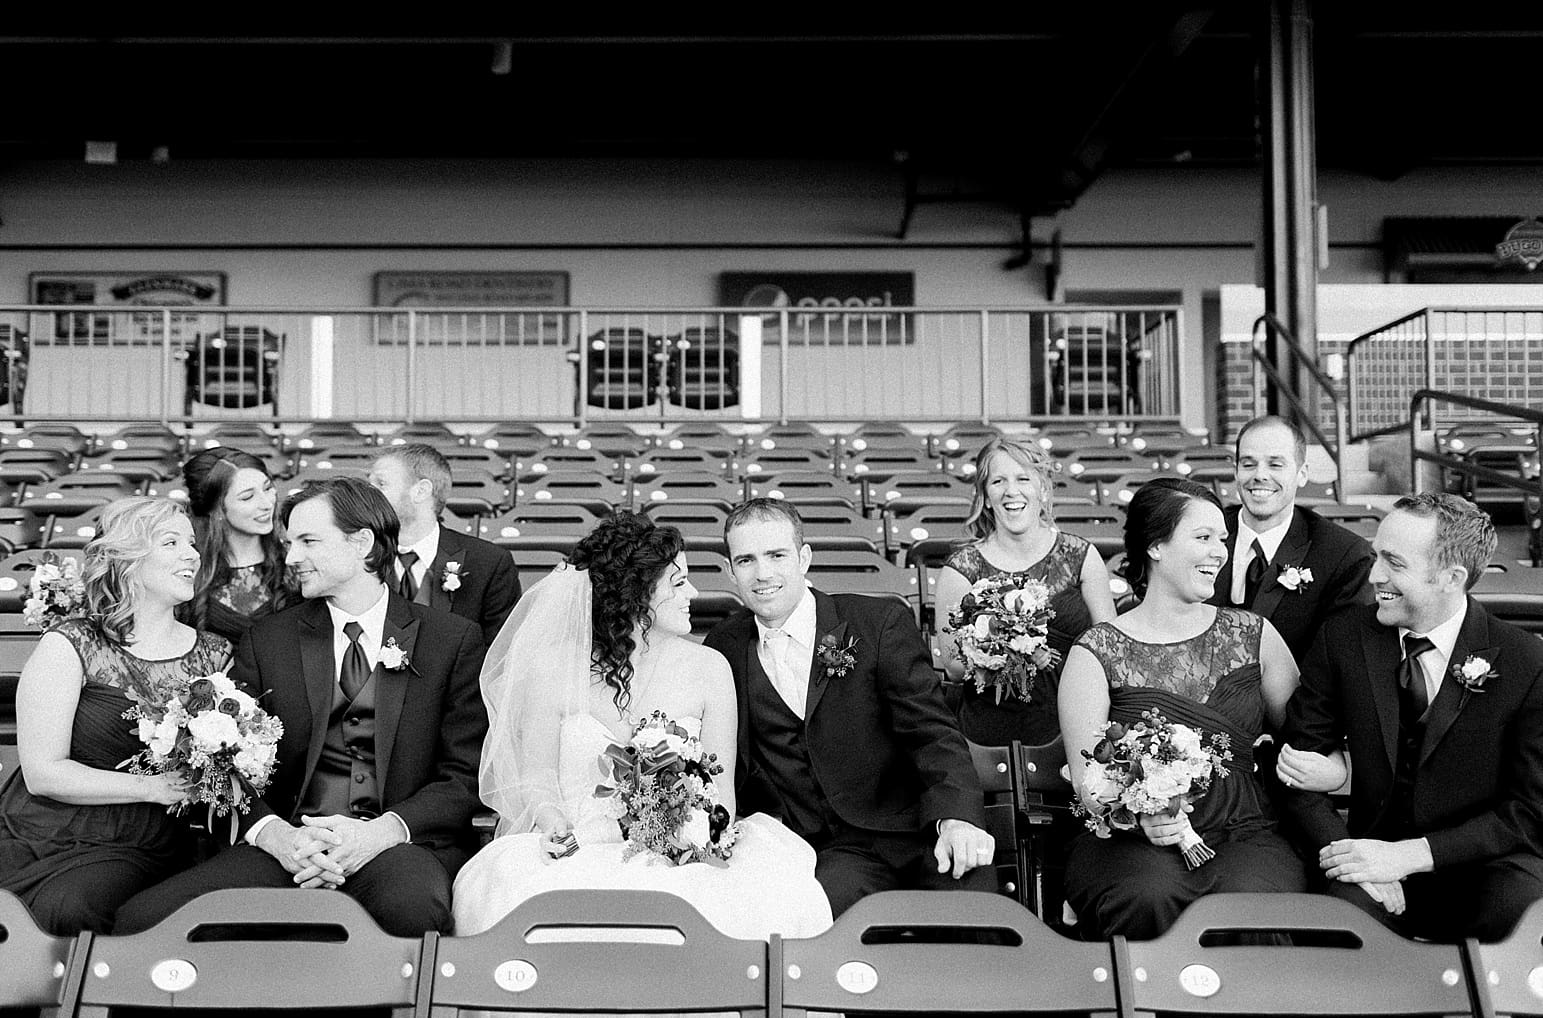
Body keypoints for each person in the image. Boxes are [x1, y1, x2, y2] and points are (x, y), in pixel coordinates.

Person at [115, 477, 488, 937]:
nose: (291, 558)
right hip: (288, 841)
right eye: (290, 543)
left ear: (363, 544)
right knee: (147, 922)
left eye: (309, 542)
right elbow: (224, 765)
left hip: (395, 847)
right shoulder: (269, 640)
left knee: (411, 912)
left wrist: (381, 833)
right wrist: (278, 837)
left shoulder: (451, 640)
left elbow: (463, 776)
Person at [452, 511, 830, 939]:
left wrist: (694, 833)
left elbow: (721, 791)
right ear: (637, 595)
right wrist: (549, 815)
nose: (694, 592)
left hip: (680, 852)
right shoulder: (551, 668)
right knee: (517, 898)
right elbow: (536, 777)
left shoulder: (710, 668)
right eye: (677, 582)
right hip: (576, 848)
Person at [704, 498, 995, 918]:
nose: (763, 573)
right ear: (730, 572)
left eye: (776, 555)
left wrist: (957, 819)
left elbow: (933, 734)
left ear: (804, 558)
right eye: (746, 560)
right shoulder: (724, 648)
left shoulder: (876, 623)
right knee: (818, 933)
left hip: (917, 832)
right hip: (822, 854)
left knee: (979, 920)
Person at [1279, 492, 1543, 941]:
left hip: (1484, 865)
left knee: (1524, 915)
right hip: (1367, 856)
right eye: (1375, 556)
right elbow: (1295, 773)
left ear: (1450, 577)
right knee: (1342, 924)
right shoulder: (1344, 637)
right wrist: (1352, 858)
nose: (1374, 575)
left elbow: (1531, 812)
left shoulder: (1527, 662)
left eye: (1394, 563)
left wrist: (1409, 856)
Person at [1059, 477, 1312, 939]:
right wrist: (1137, 811)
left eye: (1222, 538)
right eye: (1203, 538)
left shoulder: (1253, 635)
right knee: (1148, 895)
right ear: (1155, 546)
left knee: (1251, 903)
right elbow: (1087, 783)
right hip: (1131, 838)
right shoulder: (1097, 650)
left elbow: (1307, 735)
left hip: (1244, 829)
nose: (1220, 551)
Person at [0, 497, 230, 934]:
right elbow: (42, 773)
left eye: (192, 543)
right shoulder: (72, 644)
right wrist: (152, 787)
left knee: (69, 908)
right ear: (127, 558)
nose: (192, 554)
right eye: (171, 542)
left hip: (143, 840)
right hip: (43, 824)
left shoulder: (216, 655)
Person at [935, 437, 1116, 746]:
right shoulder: (961, 568)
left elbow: (1111, 650)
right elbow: (953, 665)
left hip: (1073, 726)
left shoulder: (1082, 556)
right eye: (998, 481)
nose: (1011, 491)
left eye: (1023, 478)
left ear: (1043, 489)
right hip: (989, 731)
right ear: (986, 497)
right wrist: (1004, 640)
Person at [1206, 415, 1374, 664]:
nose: (1260, 475)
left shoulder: (1343, 556)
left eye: (1275, 465)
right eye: (1249, 464)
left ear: (1302, 474)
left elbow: (1342, 664)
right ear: (1236, 472)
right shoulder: (1202, 536)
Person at [367, 443, 521, 647]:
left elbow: (499, 656)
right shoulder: (358, 557)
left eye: (381, 484)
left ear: (421, 491)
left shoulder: (488, 564)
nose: (367, 494)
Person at [180, 447, 294, 644]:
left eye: (267, 488)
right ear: (217, 509)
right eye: (248, 497)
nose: (267, 503)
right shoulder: (188, 569)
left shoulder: (295, 561)